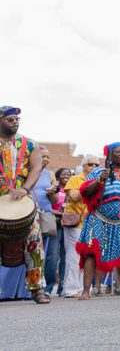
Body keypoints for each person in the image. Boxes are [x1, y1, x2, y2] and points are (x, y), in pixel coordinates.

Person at [76, 142, 120, 300]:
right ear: (109, 155)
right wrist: (99, 181)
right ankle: (86, 291)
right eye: (118, 152)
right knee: (91, 253)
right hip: (98, 218)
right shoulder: (97, 171)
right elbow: (85, 192)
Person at [0, 106, 48, 304]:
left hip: (23, 201)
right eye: (10, 118)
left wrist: (26, 189)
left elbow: (36, 168)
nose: (15, 121)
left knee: (34, 243)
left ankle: (37, 290)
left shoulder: (29, 144)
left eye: (17, 118)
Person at [61, 157, 98, 298]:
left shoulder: (97, 182)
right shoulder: (75, 179)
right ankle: (71, 289)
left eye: (96, 164)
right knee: (73, 256)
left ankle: (81, 288)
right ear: (84, 166)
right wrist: (89, 185)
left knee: (86, 256)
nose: (94, 166)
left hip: (91, 223)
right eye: (91, 164)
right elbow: (74, 196)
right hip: (75, 223)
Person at [33, 146, 60, 295]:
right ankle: (31, 287)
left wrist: (52, 193)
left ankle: (47, 288)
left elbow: (55, 200)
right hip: (29, 214)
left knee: (49, 254)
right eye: (43, 156)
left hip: (47, 215)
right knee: (33, 252)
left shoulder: (50, 174)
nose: (46, 159)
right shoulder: (27, 172)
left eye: (48, 157)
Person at [51, 167, 70, 295]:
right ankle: (49, 285)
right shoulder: (54, 189)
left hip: (68, 225)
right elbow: (47, 207)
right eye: (63, 174)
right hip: (54, 224)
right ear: (57, 177)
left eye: (68, 174)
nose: (66, 176)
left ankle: (62, 286)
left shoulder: (72, 190)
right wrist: (60, 214)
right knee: (52, 255)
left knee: (65, 256)